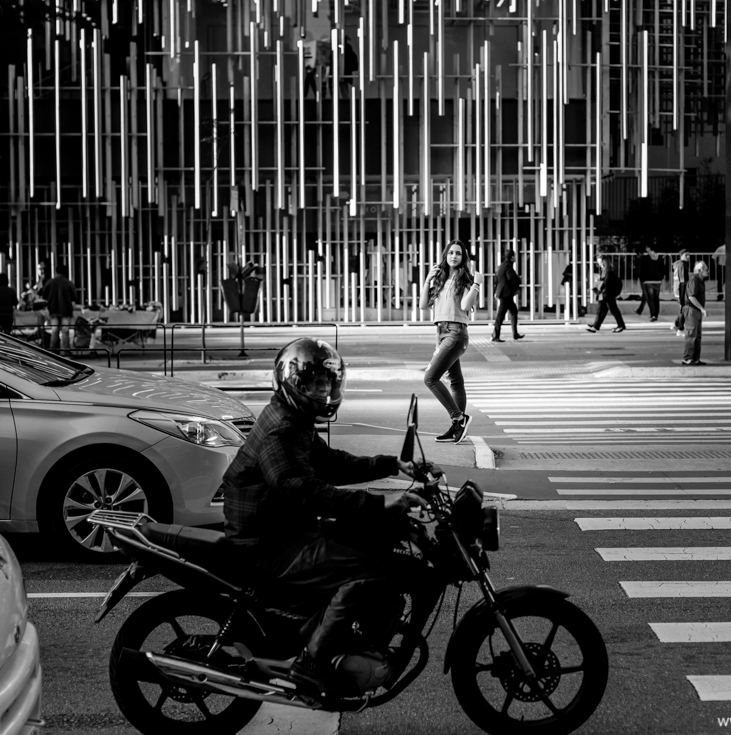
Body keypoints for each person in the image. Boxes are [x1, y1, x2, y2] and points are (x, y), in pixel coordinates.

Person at [222, 338, 435, 692]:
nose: (323, 392)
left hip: (284, 526)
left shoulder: (294, 418)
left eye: (327, 383)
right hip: (268, 541)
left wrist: (392, 465)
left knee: (367, 546)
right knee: (366, 571)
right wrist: (380, 505)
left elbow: (330, 463)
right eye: (314, 384)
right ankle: (312, 661)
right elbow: (301, 490)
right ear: (294, 382)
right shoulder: (282, 429)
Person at [419, 240, 480, 444]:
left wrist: (477, 284)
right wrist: (428, 280)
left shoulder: (465, 280)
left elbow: (464, 306)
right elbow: (422, 306)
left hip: (456, 332)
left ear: (463, 258)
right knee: (455, 381)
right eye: (451, 253)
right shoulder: (440, 278)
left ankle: (459, 418)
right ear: (445, 255)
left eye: (459, 254)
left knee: (430, 378)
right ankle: (458, 428)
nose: (454, 256)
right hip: (442, 332)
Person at [42, 264, 79, 352]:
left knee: (54, 331)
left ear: (56, 271)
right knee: (65, 331)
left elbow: (44, 297)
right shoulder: (68, 283)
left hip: (53, 310)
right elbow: (74, 298)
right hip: (65, 311)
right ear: (65, 272)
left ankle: (53, 351)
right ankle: (66, 352)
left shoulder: (49, 282)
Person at [585, 256, 626, 333]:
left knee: (613, 310)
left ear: (605, 262)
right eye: (598, 263)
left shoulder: (609, 271)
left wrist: (597, 288)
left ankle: (621, 325)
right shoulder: (604, 270)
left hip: (608, 294)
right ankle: (595, 326)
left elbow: (606, 282)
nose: (599, 264)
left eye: (600, 262)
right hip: (604, 294)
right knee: (601, 311)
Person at [491, 249, 523, 343]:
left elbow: (497, 279)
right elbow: (511, 278)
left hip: (504, 293)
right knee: (501, 316)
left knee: (513, 311)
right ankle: (495, 336)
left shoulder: (502, 265)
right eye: (514, 256)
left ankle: (515, 334)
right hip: (506, 295)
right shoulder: (508, 266)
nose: (515, 258)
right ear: (512, 257)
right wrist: (518, 279)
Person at [682, 261, 709, 366]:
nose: (708, 271)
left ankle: (695, 358)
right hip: (691, 310)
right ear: (700, 271)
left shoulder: (700, 281)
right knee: (691, 334)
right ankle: (687, 358)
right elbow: (691, 297)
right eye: (706, 269)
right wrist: (702, 309)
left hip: (695, 310)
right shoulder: (694, 280)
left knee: (697, 335)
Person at [635, 247, 666, 321]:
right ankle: (656, 314)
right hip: (657, 281)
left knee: (651, 299)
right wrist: (661, 278)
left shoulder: (645, 258)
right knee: (656, 298)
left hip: (648, 281)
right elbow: (663, 269)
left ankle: (653, 315)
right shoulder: (660, 258)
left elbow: (642, 269)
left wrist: (642, 279)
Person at [671, 249, 690, 335]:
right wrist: (684, 295)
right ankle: (680, 328)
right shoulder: (682, 265)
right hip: (681, 290)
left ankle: (676, 325)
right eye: (686, 255)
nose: (688, 257)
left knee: (683, 309)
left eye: (689, 255)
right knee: (684, 309)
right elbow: (683, 281)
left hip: (678, 290)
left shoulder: (678, 264)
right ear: (681, 255)